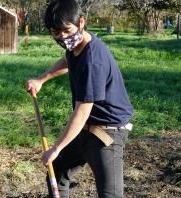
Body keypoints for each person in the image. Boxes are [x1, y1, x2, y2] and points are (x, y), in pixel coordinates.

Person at [25, 0, 134, 197]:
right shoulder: (78, 44)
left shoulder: (93, 60)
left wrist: (56, 148)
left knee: (111, 195)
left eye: (66, 31)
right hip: (87, 127)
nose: (63, 37)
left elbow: (82, 111)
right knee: (57, 172)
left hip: (108, 132)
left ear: (81, 22)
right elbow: (68, 59)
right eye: (56, 33)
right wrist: (41, 79)